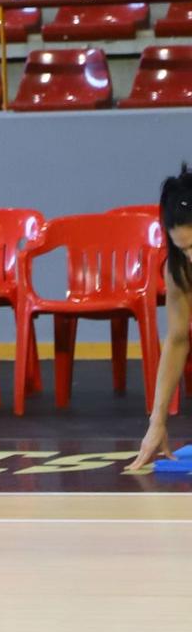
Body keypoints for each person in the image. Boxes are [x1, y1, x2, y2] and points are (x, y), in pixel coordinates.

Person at [132, 167, 192, 472]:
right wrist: (157, 420)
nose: (191, 256)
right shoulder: (179, 269)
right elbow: (178, 338)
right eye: (184, 249)